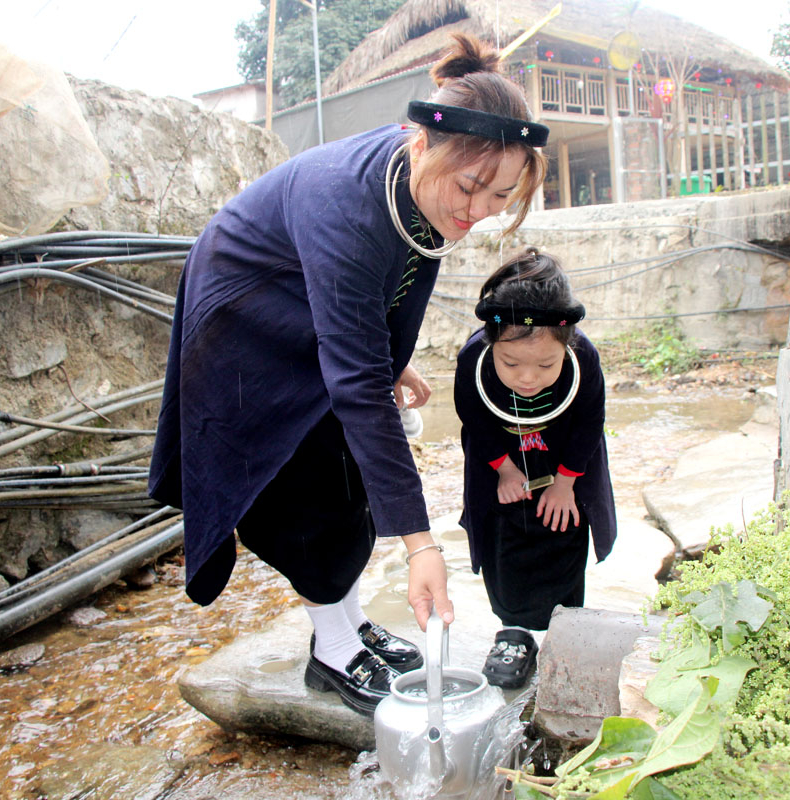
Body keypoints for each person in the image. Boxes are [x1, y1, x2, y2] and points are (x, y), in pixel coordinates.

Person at [147, 34, 548, 717]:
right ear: (419, 144)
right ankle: (331, 651)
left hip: (308, 299)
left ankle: (348, 624)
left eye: (501, 193)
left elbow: (390, 283)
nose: (480, 209)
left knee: (349, 470)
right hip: (246, 310)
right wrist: (420, 544)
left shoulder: (422, 190)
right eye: (471, 186)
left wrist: (391, 358)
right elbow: (355, 380)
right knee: (307, 480)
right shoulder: (349, 203)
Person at [454, 248, 617, 689]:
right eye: (511, 364)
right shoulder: (474, 360)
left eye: (546, 365)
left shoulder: (585, 359)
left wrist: (565, 484)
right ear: (492, 344)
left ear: (567, 345)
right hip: (501, 463)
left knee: (565, 531)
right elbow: (475, 419)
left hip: (564, 461)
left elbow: (589, 422)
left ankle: (563, 628)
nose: (527, 378)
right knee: (505, 543)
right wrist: (504, 470)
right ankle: (515, 632)